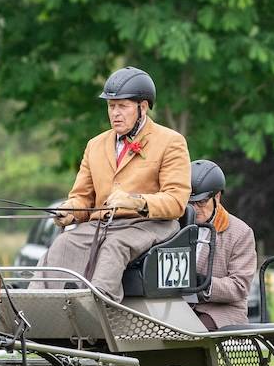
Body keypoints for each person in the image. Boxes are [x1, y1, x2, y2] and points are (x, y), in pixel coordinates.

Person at [35, 67, 191, 301]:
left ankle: (98, 305)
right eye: (111, 106)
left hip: (151, 224)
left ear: (143, 107)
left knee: (114, 246)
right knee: (62, 244)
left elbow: (176, 201)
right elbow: (83, 198)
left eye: (123, 106)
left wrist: (135, 201)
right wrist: (69, 211)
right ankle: (36, 307)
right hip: (102, 224)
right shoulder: (95, 145)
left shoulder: (171, 142)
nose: (115, 113)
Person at [188, 159, 257, 330]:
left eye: (201, 202)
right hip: (180, 308)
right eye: (190, 202)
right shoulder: (175, 226)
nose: (195, 208)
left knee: (189, 333)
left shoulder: (240, 232)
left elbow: (240, 286)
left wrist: (204, 283)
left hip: (221, 311)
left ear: (217, 196)